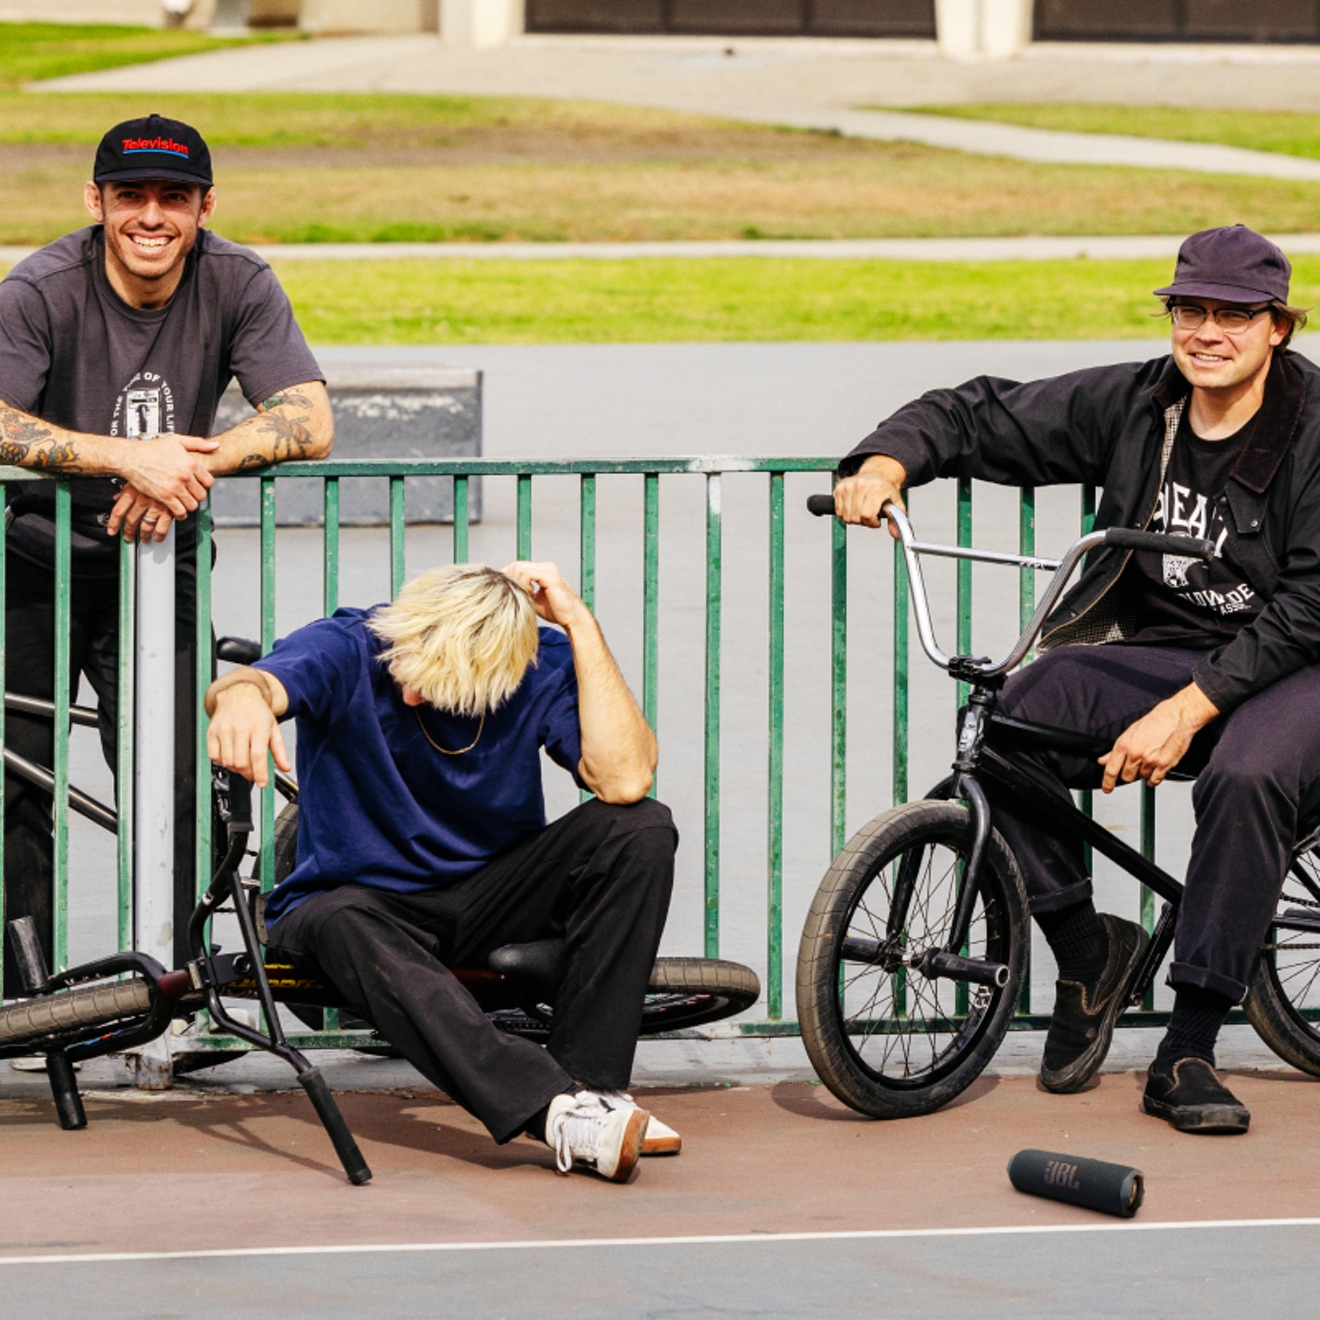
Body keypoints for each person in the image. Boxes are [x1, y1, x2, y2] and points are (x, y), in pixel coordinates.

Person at [832, 225, 1319, 1135]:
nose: (1207, 332)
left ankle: (1188, 1049)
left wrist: (1188, 709)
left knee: (1247, 776)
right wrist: (885, 461)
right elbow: (981, 413)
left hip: (1300, 663)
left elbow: (1313, 605)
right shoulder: (1142, 404)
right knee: (1011, 720)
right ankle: (1091, 950)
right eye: (1191, 311)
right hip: (1170, 647)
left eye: (1234, 316)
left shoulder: (1315, 429)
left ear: (1277, 330)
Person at [205, 561, 679, 1182]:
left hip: (487, 896)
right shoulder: (350, 644)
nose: (409, 694)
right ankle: (555, 1108)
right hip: (357, 902)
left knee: (639, 826)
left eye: (438, 685)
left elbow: (624, 780)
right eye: (408, 667)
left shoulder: (540, 662)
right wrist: (241, 699)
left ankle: (594, 1093)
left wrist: (580, 624)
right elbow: (260, 683)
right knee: (344, 918)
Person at [0, 113, 332, 993]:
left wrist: (188, 461)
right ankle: (24, 1009)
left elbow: (310, 416)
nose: (152, 215)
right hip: (31, 568)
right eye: (131, 195)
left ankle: (177, 993)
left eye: (174, 197)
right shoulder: (38, 290)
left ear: (204, 206)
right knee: (13, 789)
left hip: (162, 567)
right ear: (96, 200)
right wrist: (122, 456)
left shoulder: (237, 279)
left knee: (184, 782)